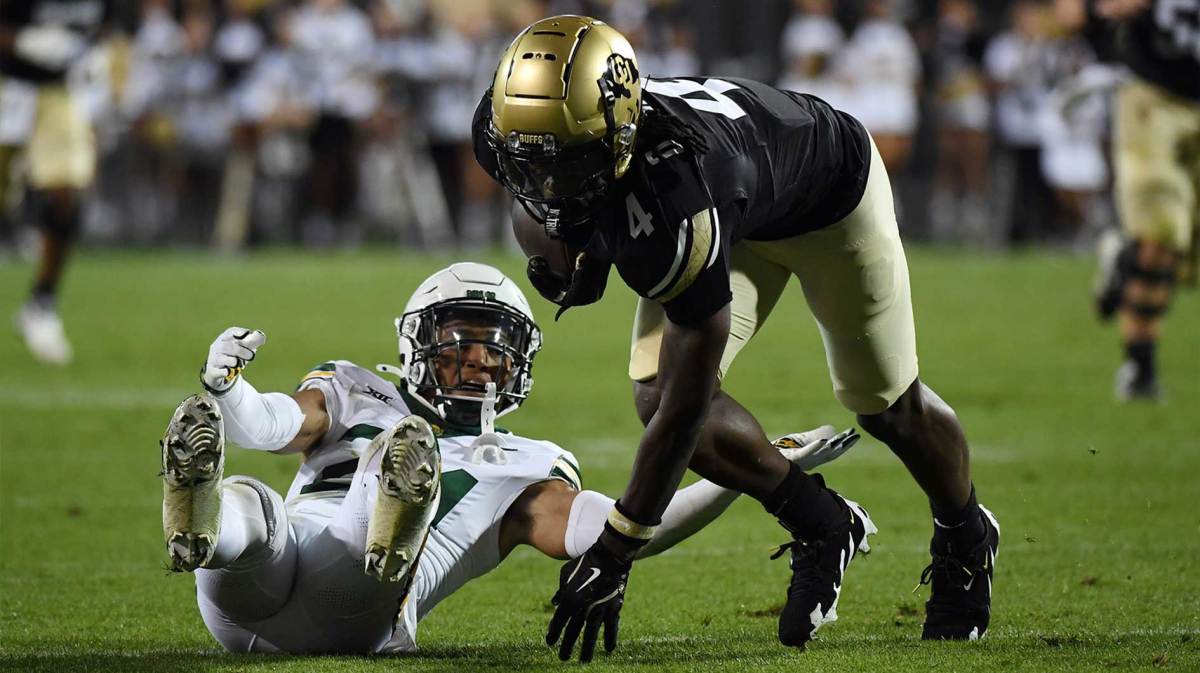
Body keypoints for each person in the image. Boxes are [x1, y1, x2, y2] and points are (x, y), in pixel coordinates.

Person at [471, 15, 1000, 659]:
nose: (543, 184)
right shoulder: (524, 120)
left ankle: (965, 536)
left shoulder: (673, 199)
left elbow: (689, 409)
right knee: (653, 392)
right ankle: (822, 524)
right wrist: (579, 249)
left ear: (619, 137)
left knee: (885, 406)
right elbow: (536, 191)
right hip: (737, 200)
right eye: (530, 161)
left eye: (569, 162)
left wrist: (617, 548)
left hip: (828, 201)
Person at [161, 262, 855, 655]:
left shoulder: (526, 460)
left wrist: (735, 479)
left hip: (355, 610)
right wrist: (231, 390)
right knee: (251, 500)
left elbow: (620, 527)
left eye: (495, 344)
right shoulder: (355, 386)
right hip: (245, 596)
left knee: (390, 466)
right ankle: (199, 528)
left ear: (519, 358)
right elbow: (277, 423)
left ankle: (393, 521)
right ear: (417, 343)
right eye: (461, 338)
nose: (480, 358)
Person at [1092, 0, 1200, 401]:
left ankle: (1125, 255)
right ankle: (1141, 368)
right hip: (1155, 97)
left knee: (1182, 258)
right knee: (1163, 231)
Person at [0, 0, 109, 364]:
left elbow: (107, 30)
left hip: (57, 92)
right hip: (7, 83)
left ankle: (41, 303)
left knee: (69, 192)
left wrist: (92, 55)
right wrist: (21, 42)